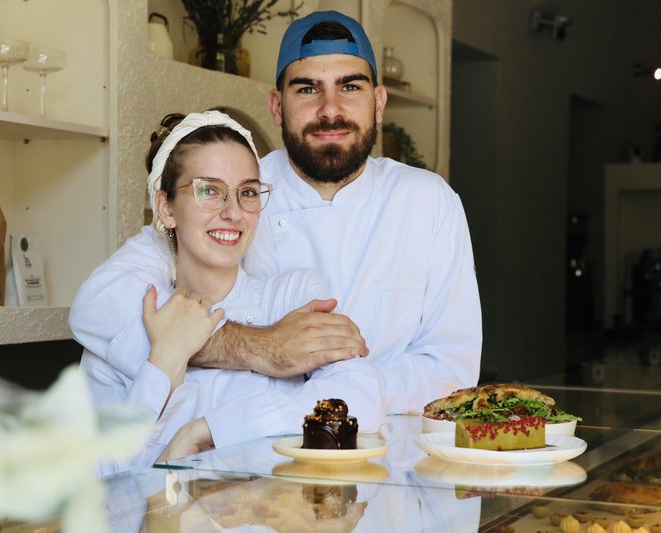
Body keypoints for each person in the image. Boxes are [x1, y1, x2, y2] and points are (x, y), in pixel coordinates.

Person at [70, 10, 481, 455]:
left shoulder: (428, 200)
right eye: (307, 88)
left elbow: (450, 373)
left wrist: (320, 373)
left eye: (350, 86)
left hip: (397, 457)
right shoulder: (239, 189)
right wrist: (262, 349)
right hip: (263, 459)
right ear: (277, 105)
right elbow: (102, 305)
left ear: (378, 102)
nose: (330, 110)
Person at [81, 110, 384, 474]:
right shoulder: (131, 316)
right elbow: (102, 480)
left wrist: (213, 430)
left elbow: (361, 399)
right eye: (209, 191)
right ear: (166, 208)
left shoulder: (292, 295)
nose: (233, 213)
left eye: (247, 193)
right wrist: (164, 361)